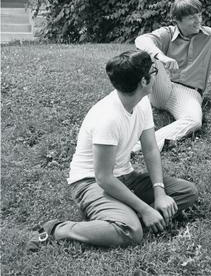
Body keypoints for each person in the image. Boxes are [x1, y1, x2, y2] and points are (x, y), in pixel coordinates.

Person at [27, 50, 198, 250]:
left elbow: (150, 149)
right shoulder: (108, 117)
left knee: (187, 192)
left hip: (125, 176)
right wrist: (144, 208)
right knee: (131, 232)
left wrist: (159, 192)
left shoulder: (141, 101)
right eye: (154, 70)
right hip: (90, 182)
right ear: (144, 81)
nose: (156, 74)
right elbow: (103, 178)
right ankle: (58, 229)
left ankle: (126, 216)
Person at [133, 0, 211, 152]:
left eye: (199, 15)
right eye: (192, 18)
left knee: (194, 121)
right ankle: (129, 97)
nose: (198, 20)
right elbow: (141, 40)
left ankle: (139, 147)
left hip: (189, 92)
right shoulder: (167, 33)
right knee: (148, 54)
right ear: (177, 20)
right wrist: (161, 56)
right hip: (162, 87)